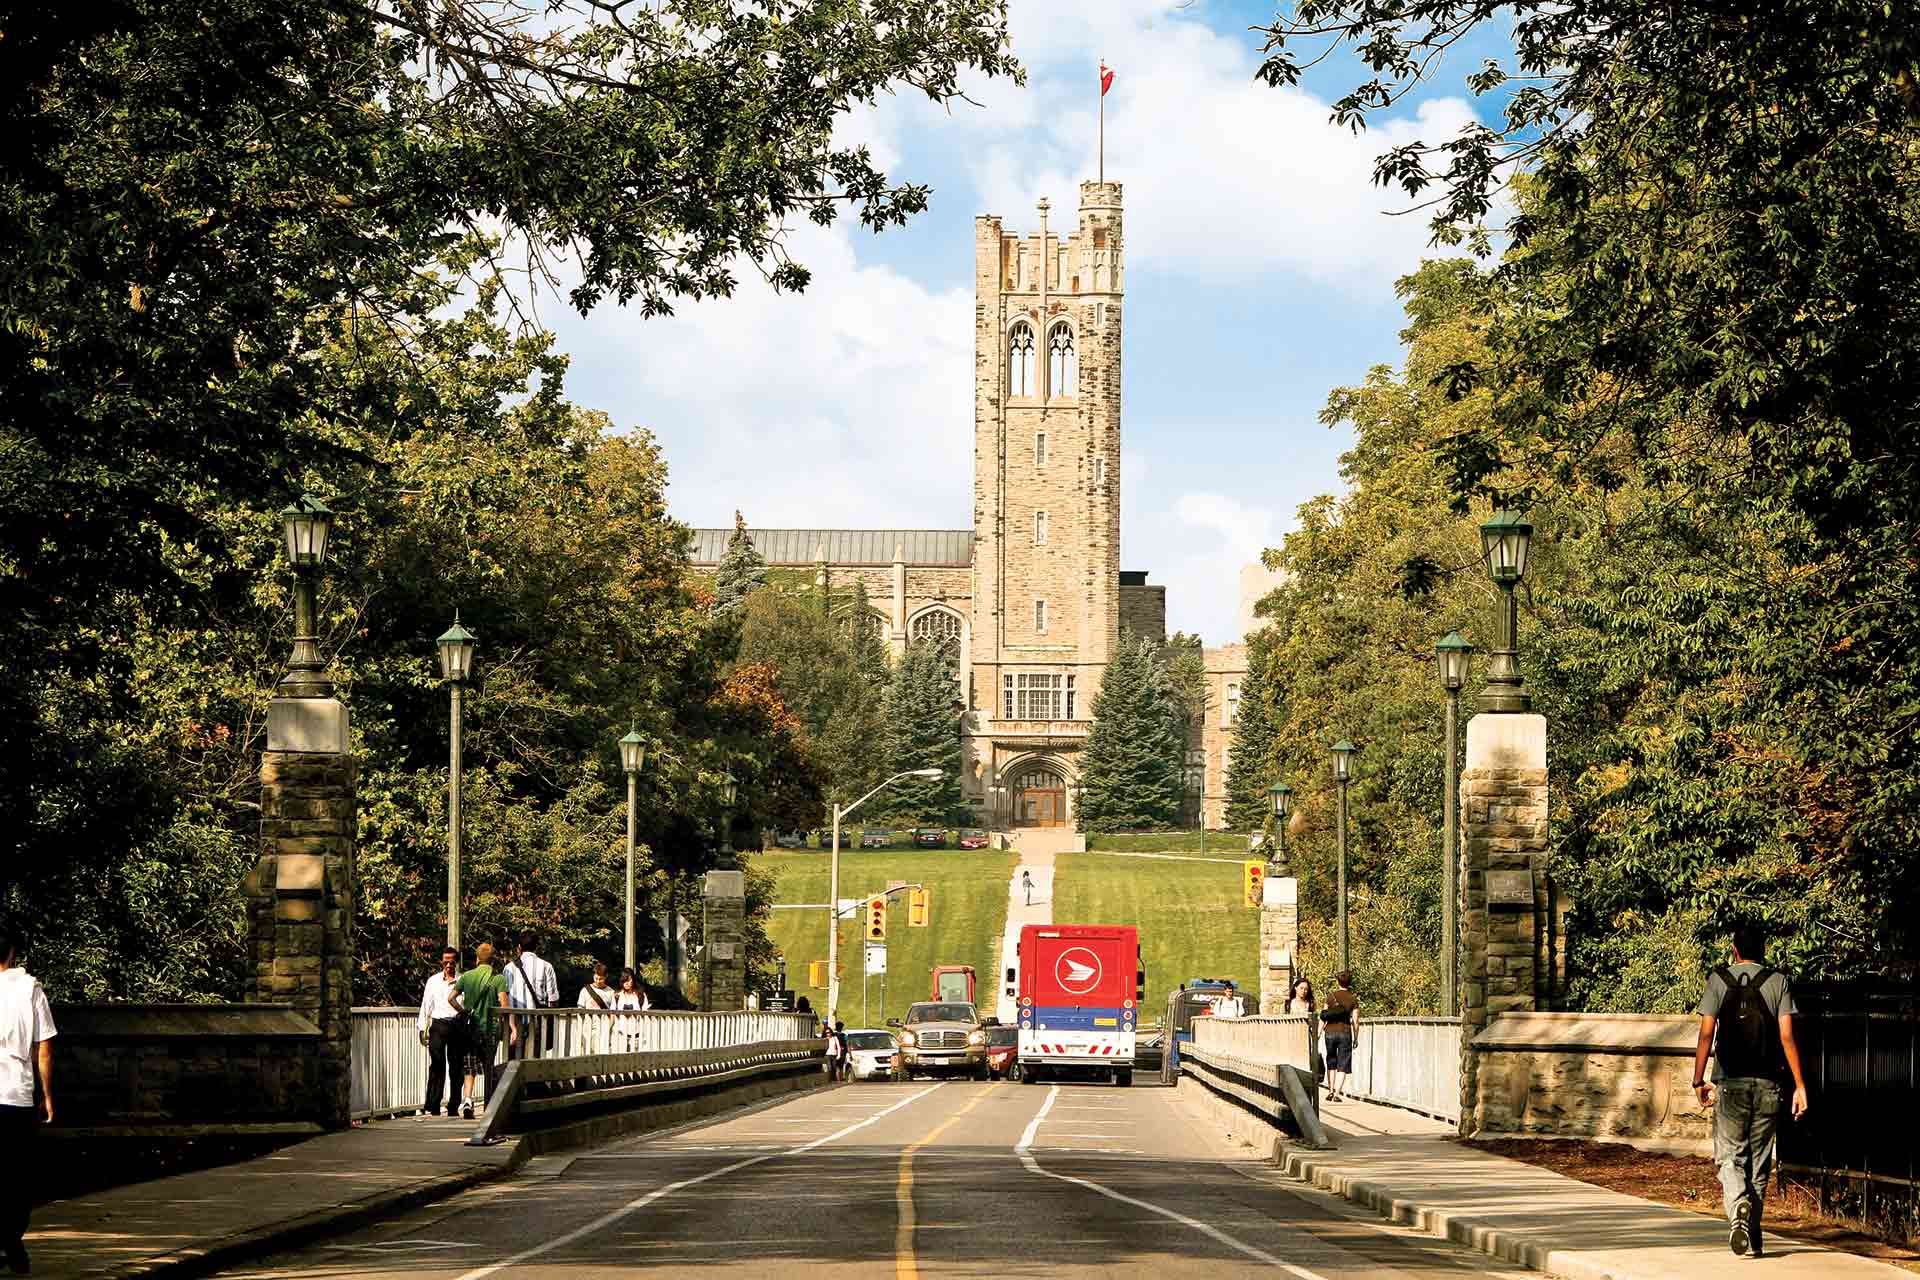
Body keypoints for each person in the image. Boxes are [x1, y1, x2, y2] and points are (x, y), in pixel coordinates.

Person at [1694, 925, 1810, 1258]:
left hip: (1731, 1083)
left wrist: (1698, 1079)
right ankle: (1753, 1234)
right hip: (1769, 1084)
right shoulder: (1778, 981)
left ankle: (1740, 1207)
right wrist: (1800, 1085)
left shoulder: (1719, 980)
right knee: (1759, 1164)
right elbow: (1787, 1036)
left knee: (1730, 1158)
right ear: (1763, 949)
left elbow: (1705, 1035)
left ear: (1734, 950)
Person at [0, 923, 56, 1276]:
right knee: (17, 1175)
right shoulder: (30, 989)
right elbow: (45, 1048)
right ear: (13, 953)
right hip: (17, 1096)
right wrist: (47, 1095)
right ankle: (11, 1236)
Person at [455, 942, 513, 1118]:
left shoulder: (467, 976)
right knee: (488, 1065)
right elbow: (504, 1006)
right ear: (493, 959)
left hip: (471, 1027)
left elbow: (451, 998)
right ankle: (489, 1102)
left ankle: (467, 1100)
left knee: (470, 1065)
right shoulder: (499, 979)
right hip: (490, 1029)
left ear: (477, 958)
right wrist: (509, 1026)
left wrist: (463, 1011)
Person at [416, 945, 467, 1119]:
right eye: (446, 962)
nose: (448, 966)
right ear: (441, 962)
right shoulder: (433, 981)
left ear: (456, 963)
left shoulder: (463, 981)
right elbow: (426, 1004)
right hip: (438, 1025)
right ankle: (433, 1104)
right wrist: (422, 1028)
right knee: (437, 1064)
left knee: (456, 1066)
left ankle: (453, 1105)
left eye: (452, 962)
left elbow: (466, 1005)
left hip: (456, 1025)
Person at [506, 935, 559, 1060]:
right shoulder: (547, 966)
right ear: (537, 948)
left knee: (513, 1065)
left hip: (514, 1023)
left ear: (519, 948)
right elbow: (553, 1000)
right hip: (537, 1022)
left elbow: (504, 997)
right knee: (534, 1063)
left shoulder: (508, 968)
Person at [1320, 970, 1359, 1102]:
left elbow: (1324, 1016)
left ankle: (1330, 1091)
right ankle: (1337, 1093)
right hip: (1345, 1033)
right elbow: (1355, 1020)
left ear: (1338, 982)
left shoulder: (1330, 997)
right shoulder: (1353, 999)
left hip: (1330, 1032)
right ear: (1349, 983)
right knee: (1343, 1063)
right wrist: (1356, 1037)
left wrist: (1319, 1032)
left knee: (1331, 1061)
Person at [577, 961, 616, 1054]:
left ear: (606, 977)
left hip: (604, 1028)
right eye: (596, 978)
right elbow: (580, 1011)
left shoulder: (611, 992)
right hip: (588, 1028)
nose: (598, 981)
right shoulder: (585, 990)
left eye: (601, 979)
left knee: (602, 1053)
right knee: (587, 1053)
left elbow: (613, 1013)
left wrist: (608, 1028)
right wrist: (580, 1029)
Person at [612, 968, 648, 1052]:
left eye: (629, 980)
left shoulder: (640, 995)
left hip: (636, 1034)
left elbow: (645, 1014)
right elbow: (612, 1014)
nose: (627, 983)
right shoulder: (617, 995)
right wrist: (608, 1030)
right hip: (620, 1034)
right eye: (624, 980)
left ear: (633, 980)